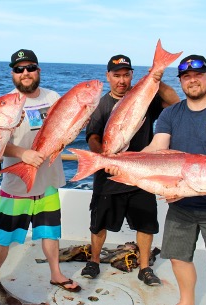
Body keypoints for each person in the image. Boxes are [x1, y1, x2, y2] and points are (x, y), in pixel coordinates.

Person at [143, 55, 206, 305]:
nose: (192, 81)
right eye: (186, 77)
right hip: (181, 205)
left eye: (198, 75)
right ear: (181, 82)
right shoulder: (171, 115)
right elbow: (157, 147)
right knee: (178, 258)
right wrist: (118, 161)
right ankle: (186, 301)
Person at [0, 49, 81, 305]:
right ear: (12, 74)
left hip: (48, 182)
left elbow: (67, 129)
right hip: (16, 183)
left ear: (39, 70)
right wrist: (22, 154)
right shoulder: (4, 104)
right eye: (19, 69)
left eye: (30, 68)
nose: (25, 73)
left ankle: (56, 273)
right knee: (3, 237)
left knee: (50, 232)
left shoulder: (54, 97)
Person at [81, 54, 180, 285]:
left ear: (132, 75)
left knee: (146, 223)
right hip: (109, 175)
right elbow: (92, 136)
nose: (122, 80)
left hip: (141, 174)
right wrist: (105, 156)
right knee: (98, 223)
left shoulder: (144, 98)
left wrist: (156, 78)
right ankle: (94, 261)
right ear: (108, 77)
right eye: (116, 75)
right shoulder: (100, 105)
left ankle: (145, 268)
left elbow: (175, 103)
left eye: (126, 75)